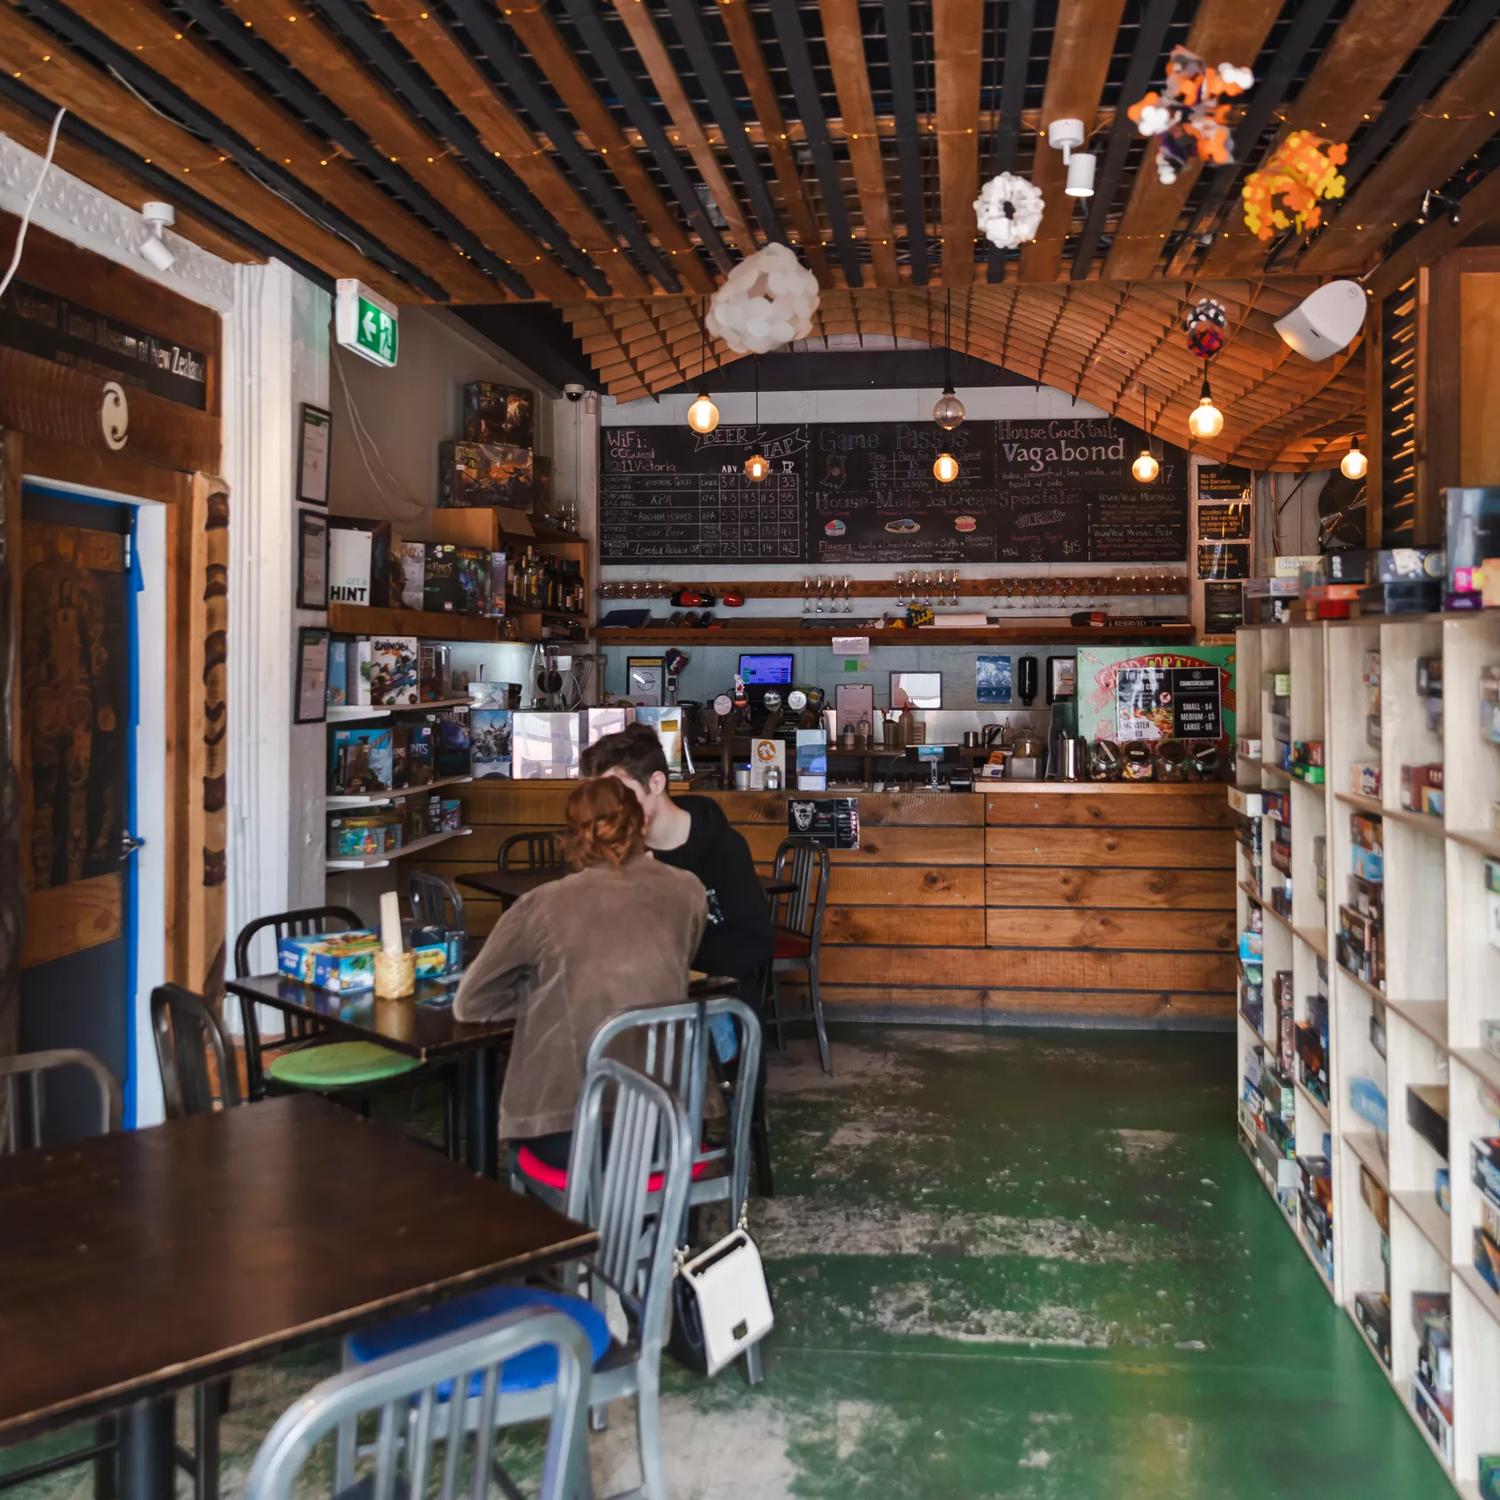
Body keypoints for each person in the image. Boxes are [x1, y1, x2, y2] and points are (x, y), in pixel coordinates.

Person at [454, 775, 706, 1170]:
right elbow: (670, 966)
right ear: (641, 824)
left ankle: (575, 1229)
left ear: (572, 837)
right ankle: (648, 1225)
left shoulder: (540, 904)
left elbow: (471, 1003)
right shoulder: (689, 891)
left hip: (568, 1131)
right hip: (671, 1126)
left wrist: (548, 995)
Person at [582, 723, 774, 1054]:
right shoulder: (616, 851)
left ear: (656, 783)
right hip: (633, 1011)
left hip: (713, 1008)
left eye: (618, 793)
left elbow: (754, 942)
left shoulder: (724, 848)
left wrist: (672, 964)